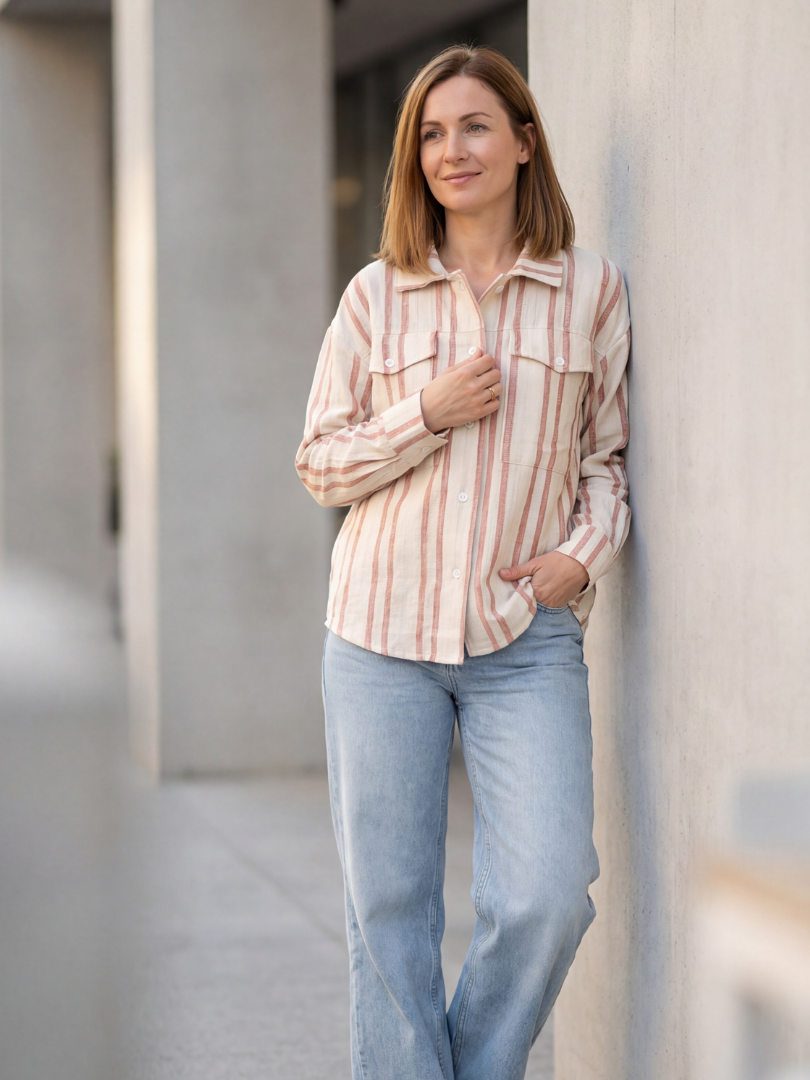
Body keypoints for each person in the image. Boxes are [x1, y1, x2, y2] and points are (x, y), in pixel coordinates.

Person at [295, 44, 630, 1080]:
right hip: (379, 637)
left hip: (522, 639)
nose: (453, 150)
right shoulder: (373, 298)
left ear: (525, 142)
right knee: (387, 911)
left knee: (545, 893)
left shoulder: (589, 291)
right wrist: (424, 415)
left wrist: (580, 559)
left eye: (476, 126)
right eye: (432, 134)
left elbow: (607, 460)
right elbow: (320, 463)